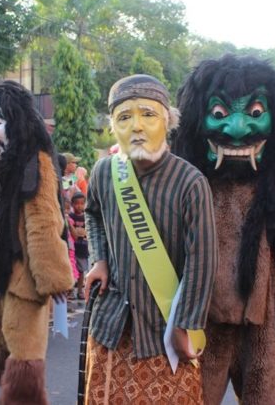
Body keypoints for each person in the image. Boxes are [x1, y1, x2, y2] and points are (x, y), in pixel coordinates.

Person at [172, 56, 275, 404]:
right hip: (202, 318)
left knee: (264, 397)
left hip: (264, 321)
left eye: (254, 113)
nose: (237, 128)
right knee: (195, 398)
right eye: (220, 114)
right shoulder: (191, 187)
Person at [83, 74, 217, 403]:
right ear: (113, 126)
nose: (137, 126)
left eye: (148, 114)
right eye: (124, 117)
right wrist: (99, 258)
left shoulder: (190, 182)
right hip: (111, 326)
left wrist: (187, 323)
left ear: (168, 121)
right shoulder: (103, 172)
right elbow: (93, 214)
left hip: (165, 333)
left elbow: (202, 260)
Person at [0, 79, 72, 404]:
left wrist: (53, 277)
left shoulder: (36, 165)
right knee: (0, 356)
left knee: (24, 368)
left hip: (24, 281)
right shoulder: (0, 169)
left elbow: (44, 223)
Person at [69, 192, 88, 299]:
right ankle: (71, 290)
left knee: (81, 271)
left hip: (83, 248)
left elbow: (88, 232)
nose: (79, 206)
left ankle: (80, 291)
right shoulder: (70, 217)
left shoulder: (86, 217)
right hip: (72, 248)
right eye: (76, 203)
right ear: (72, 204)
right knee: (71, 269)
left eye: (82, 203)